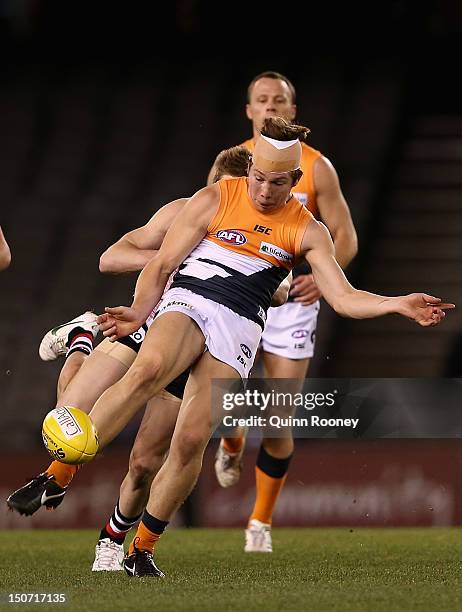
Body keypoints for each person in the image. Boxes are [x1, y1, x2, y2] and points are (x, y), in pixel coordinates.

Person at [71, 117, 450, 578]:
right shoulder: (211, 199)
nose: (264, 190)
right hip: (178, 308)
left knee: (188, 441)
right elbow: (150, 260)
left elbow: (342, 297)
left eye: (276, 182)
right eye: (257, 179)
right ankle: (67, 464)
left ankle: (141, 548)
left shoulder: (306, 229)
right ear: (246, 173)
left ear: (293, 181)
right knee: (137, 395)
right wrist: (140, 307)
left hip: (236, 329)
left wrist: (397, 304)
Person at [7, 146, 287, 571]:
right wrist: (179, 258)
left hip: (206, 346)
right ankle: (82, 341)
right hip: (153, 325)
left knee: (144, 461)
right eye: (218, 189)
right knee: (68, 413)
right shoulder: (184, 211)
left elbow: (280, 289)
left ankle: (115, 540)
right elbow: (110, 257)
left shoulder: (268, 227)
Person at [209, 71, 358, 552]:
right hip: (239, 293)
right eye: (262, 100)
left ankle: (260, 524)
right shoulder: (233, 163)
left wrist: (323, 274)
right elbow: (204, 218)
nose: (271, 107)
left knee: (278, 416)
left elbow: (344, 235)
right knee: (228, 398)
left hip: (291, 304)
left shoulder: (317, 168)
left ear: (293, 113)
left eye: (280, 101)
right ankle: (231, 440)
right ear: (249, 110)